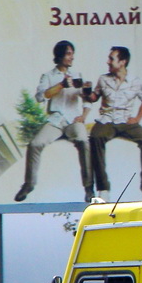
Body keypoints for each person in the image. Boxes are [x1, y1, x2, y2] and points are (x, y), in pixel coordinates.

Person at [14, 40, 94, 203]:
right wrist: (61, 85)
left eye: (72, 53)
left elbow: (86, 99)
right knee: (35, 144)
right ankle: (29, 184)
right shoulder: (48, 76)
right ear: (60, 56)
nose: (72, 57)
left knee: (83, 141)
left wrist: (84, 115)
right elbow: (41, 97)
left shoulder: (77, 74)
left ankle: (89, 187)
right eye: (69, 53)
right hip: (56, 120)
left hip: (73, 119)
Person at [87, 46, 142, 200]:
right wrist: (86, 93)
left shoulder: (135, 82)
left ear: (122, 62)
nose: (108, 61)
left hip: (126, 120)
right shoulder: (103, 79)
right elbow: (94, 97)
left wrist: (137, 118)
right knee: (95, 138)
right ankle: (103, 189)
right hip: (107, 120)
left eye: (112, 58)